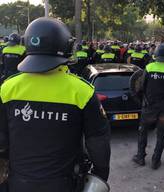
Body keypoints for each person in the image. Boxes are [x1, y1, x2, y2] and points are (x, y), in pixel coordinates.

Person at [0, 17, 111, 192]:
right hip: (64, 185)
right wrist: (100, 176)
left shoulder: (7, 88)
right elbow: (98, 144)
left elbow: (2, 141)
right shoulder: (82, 91)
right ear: (65, 47)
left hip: (18, 184)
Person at [132, 43, 164, 169]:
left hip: (149, 108)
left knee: (143, 131)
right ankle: (155, 161)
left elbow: (140, 87)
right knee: (161, 134)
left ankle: (140, 157)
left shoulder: (149, 68)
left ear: (156, 55)